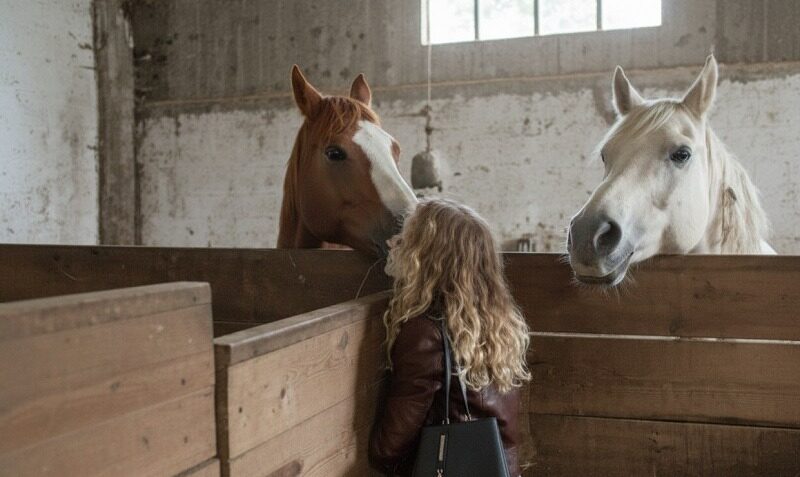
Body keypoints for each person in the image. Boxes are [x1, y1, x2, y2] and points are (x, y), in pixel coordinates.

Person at [369, 198, 530, 476]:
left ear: (427, 259)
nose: (393, 244)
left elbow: (388, 447)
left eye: (406, 241)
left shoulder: (425, 333)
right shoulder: (497, 325)